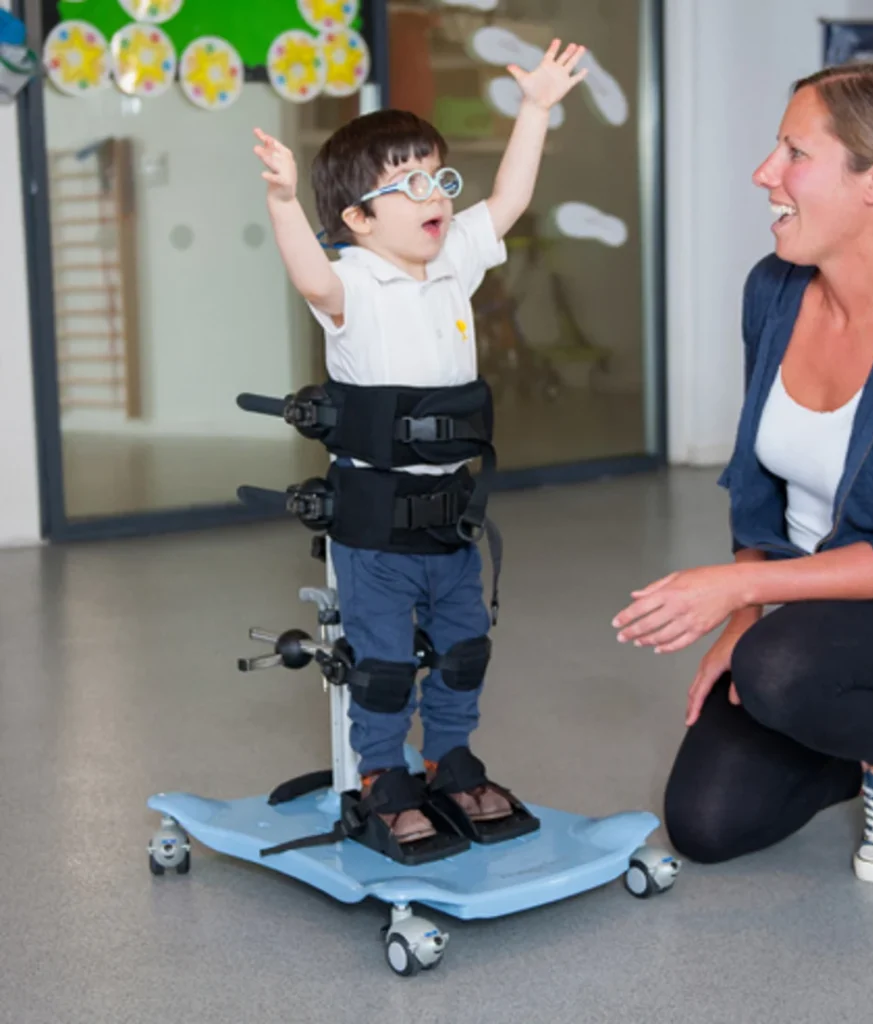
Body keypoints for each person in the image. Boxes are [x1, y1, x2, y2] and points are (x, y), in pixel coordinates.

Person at [613, 63, 873, 884]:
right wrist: (746, 604)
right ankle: (856, 726)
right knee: (706, 823)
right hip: (806, 623)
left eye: (794, 152)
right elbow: (757, 487)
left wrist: (737, 603)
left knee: (779, 666)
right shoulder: (773, 291)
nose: (766, 173)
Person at [253, 41, 588, 852]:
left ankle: (451, 761)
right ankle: (381, 774)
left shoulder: (453, 263)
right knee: (382, 662)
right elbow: (308, 277)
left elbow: (507, 196)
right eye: (407, 185)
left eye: (438, 177)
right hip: (374, 523)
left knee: (466, 646)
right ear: (360, 220)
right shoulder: (354, 283)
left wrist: (537, 108)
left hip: (450, 514)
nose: (434, 195)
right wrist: (286, 203)